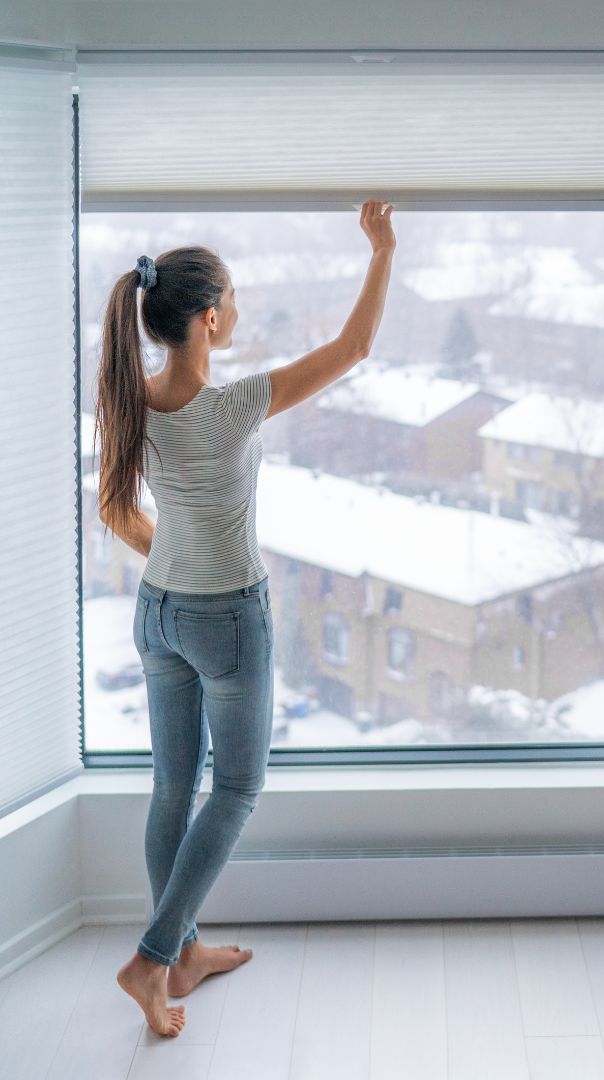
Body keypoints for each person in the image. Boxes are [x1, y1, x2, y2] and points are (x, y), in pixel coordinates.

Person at [94, 200, 397, 1037]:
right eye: (234, 300)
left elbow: (115, 512)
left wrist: (178, 558)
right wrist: (383, 250)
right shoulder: (231, 408)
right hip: (227, 618)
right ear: (211, 318)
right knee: (235, 788)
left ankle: (182, 956)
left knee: (171, 786)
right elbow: (355, 349)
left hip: (156, 613)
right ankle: (154, 958)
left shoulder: (129, 400)